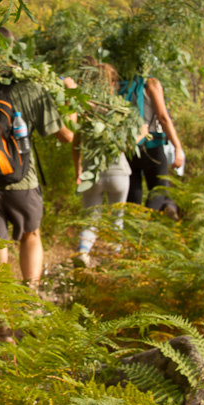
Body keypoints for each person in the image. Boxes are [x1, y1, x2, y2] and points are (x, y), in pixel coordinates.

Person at [0, 27, 75, 291]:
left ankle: (2, 315)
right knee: (31, 235)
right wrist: (69, 94)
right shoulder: (31, 87)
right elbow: (67, 135)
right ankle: (30, 301)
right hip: (23, 180)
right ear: (13, 49)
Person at [72, 58, 131, 267]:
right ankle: (115, 260)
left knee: (91, 218)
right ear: (112, 83)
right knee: (117, 218)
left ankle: (83, 252)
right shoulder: (120, 109)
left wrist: (78, 170)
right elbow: (128, 143)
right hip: (118, 172)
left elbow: (76, 144)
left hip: (91, 173)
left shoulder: (84, 109)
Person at [123, 74, 184, 216]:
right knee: (159, 191)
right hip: (152, 146)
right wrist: (178, 147)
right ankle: (146, 224)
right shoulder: (151, 84)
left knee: (133, 194)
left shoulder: (123, 83)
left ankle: (133, 225)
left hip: (130, 146)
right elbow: (163, 117)